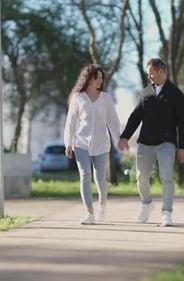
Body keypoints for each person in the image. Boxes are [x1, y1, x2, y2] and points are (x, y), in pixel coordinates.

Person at [118, 58, 184, 226]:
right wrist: (124, 136)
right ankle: (147, 203)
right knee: (141, 177)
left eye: (151, 73)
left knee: (166, 177)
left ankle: (167, 212)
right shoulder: (145, 93)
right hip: (145, 143)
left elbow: (183, 123)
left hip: (166, 143)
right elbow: (135, 117)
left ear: (161, 72)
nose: (149, 76)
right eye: (148, 73)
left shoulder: (176, 94)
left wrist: (183, 147)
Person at [63, 64, 121, 225]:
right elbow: (71, 122)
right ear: (89, 79)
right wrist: (68, 143)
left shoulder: (106, 98)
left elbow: (113, 121)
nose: (101, 81)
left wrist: (119, 139)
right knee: (85, 175)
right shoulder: (78, 98)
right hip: (80, 142)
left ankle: (102, 204)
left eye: (102, 78)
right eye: (98, 77)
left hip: (102, 144)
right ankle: (89, 213)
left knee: (100, 178)